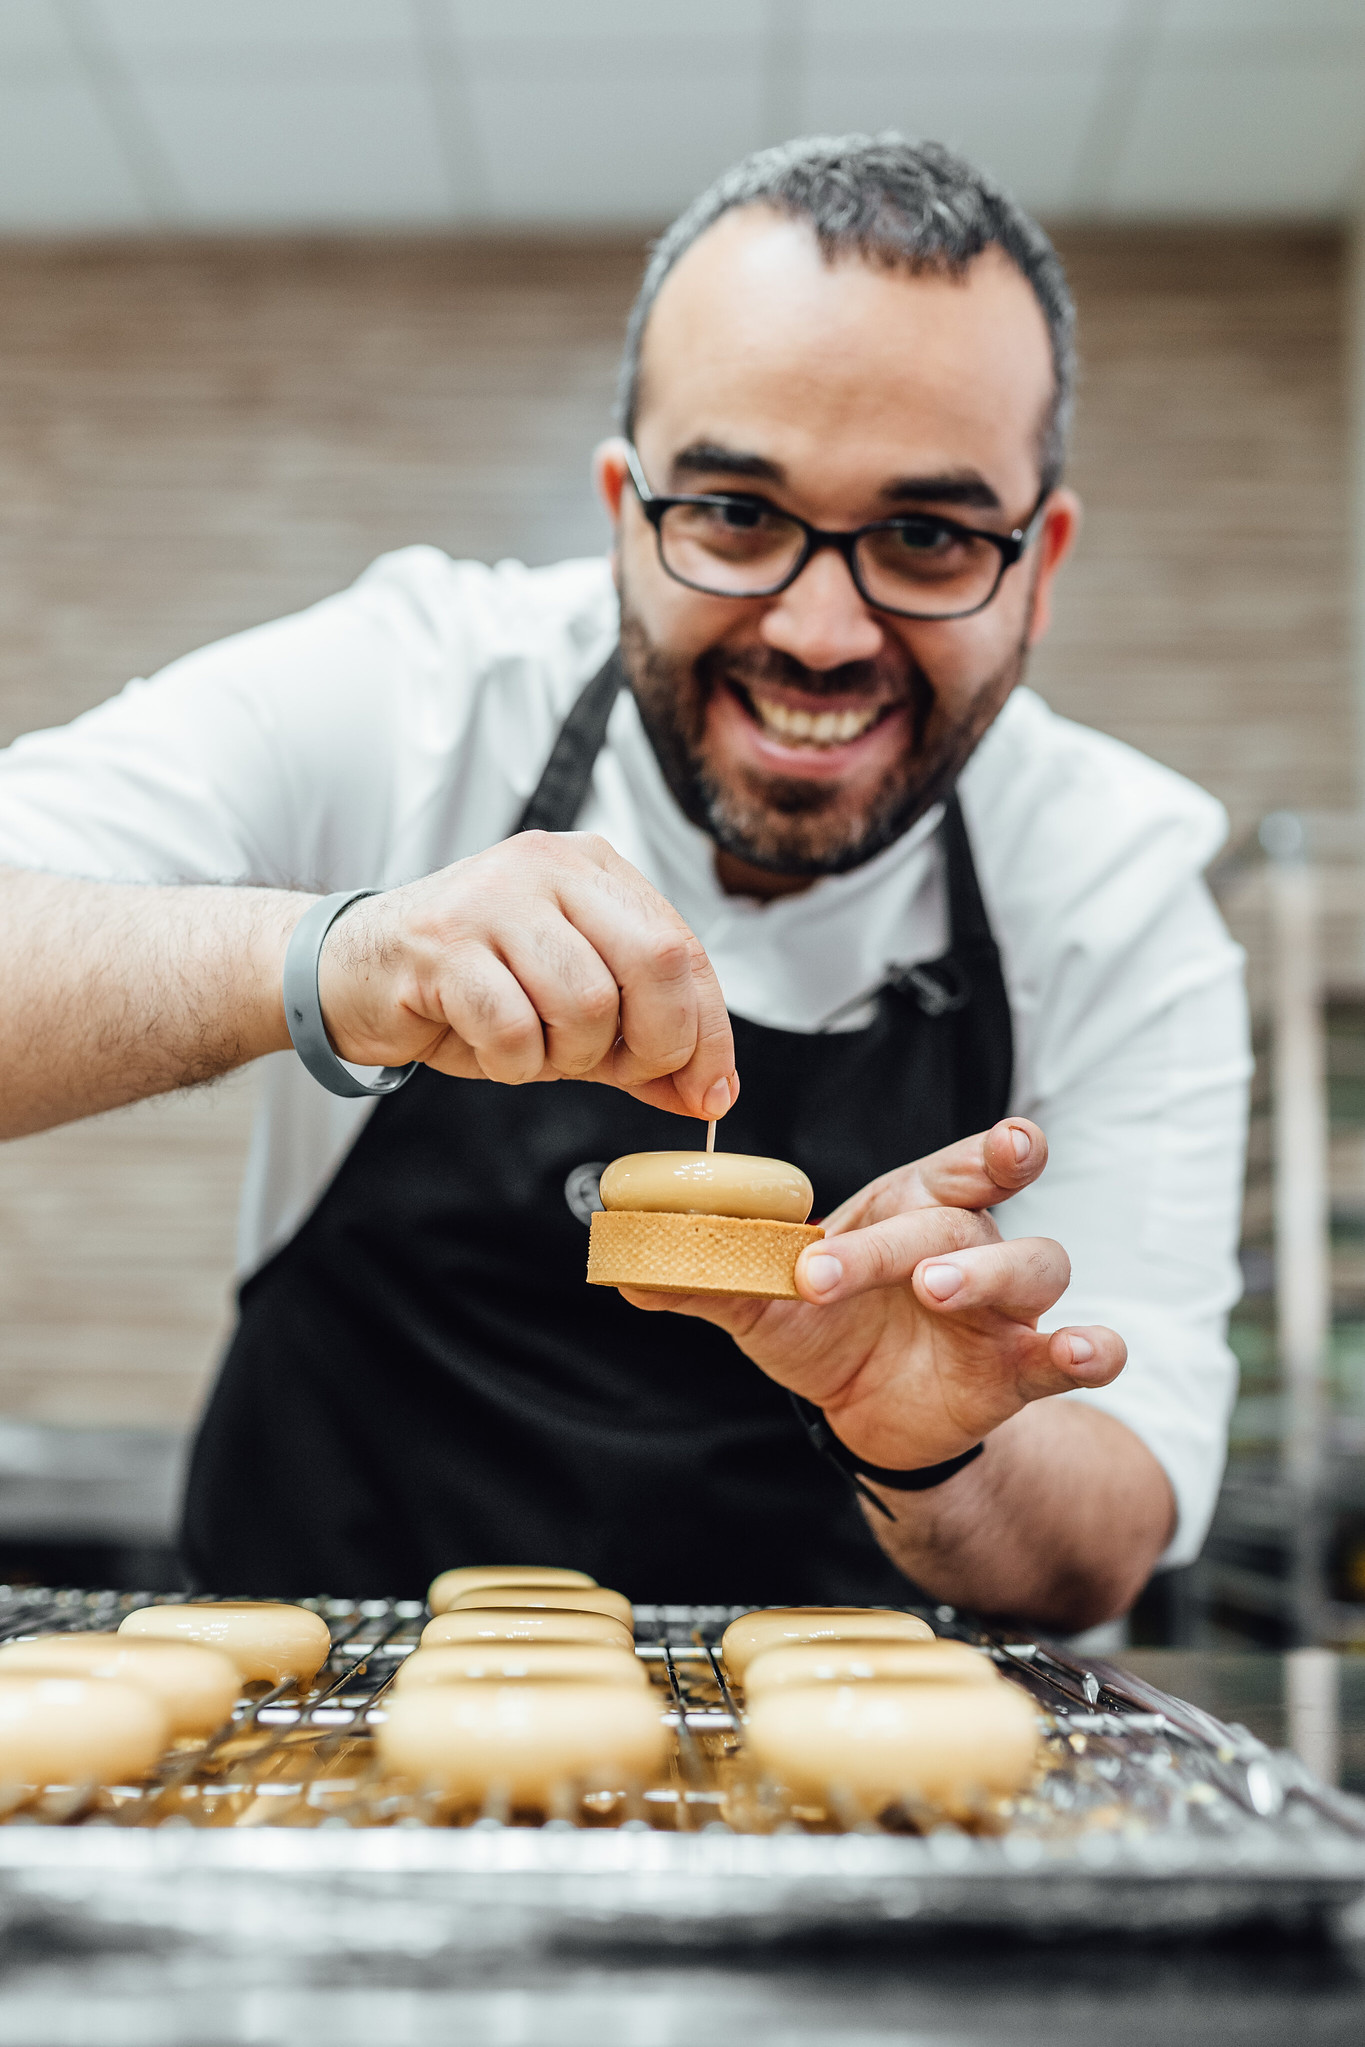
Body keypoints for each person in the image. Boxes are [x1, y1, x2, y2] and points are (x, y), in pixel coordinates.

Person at [0, 136, 1248, 1626]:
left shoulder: (1109, 880)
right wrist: (340, 958)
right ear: (619, 514)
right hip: (306, 1766)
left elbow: (1104, 1533)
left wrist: (939, 1452)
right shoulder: (414, 693)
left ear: (1037, 564)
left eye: (923, 538)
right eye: (734, 513)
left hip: (844, 1803)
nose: (821, 631)